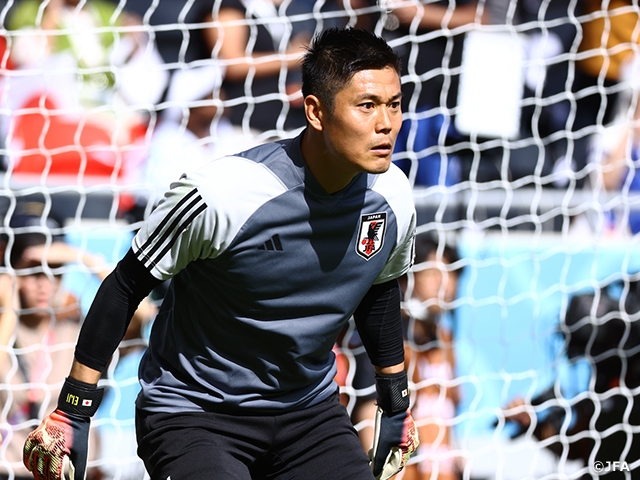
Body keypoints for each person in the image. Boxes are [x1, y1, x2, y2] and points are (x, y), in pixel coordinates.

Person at [22, 27, 419, 480]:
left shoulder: (393, 196)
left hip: (308, 413)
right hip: (194, 413)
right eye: (367, 105)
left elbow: (379, 292)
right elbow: (125, 286)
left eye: (394, 104)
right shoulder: (224, 193)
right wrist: (73, 410)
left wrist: (395, 404)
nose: (387, 123)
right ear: (315, 111)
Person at [0, 202, 153, 480]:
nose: (45, 282)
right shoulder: (5, 330)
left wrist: (85, 258)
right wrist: (8, 307)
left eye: (55, 270)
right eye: (33, 271)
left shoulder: (81, 332)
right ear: (12, 274)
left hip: (74, 473)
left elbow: (144, 315)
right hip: (11, 471)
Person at [400, 233, 462, 480]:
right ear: (409, 277)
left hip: (445, 468)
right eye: (433, 272)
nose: (443, 282)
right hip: (408, 470)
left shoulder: (445, 338)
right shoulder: (393, 341)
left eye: (450, 273)